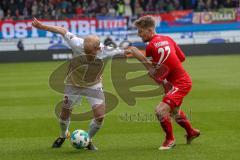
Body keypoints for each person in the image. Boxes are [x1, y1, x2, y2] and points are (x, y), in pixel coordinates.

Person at [32, 18, 129, 150]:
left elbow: (127, 51)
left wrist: (148, 57)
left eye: (90, 52)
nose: (88, 54)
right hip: (73, 85)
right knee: (64, 114)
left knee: (100, 116)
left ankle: (87, 141)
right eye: (85, 51)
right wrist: (43, 26)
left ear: (97, 48)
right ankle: (62, 135)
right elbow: (62, 30)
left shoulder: (106, 50)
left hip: (94, 86)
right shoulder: (76, 43)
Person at [128, 16, 200, 150]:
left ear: (149, 30)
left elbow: (157, 77)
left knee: (160, 110)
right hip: (179, 81)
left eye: (140, 31)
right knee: (175, 113)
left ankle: (170, 140)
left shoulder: (150, 47)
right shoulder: (168, 38)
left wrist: (140, 58)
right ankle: (191, 132)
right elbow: (182, 58)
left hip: (179, 83)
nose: (139, 34)